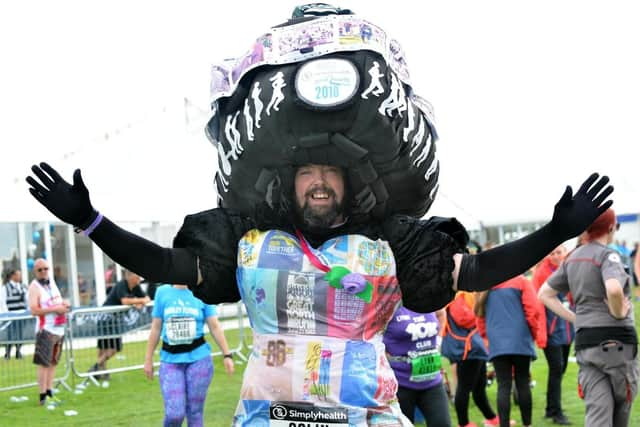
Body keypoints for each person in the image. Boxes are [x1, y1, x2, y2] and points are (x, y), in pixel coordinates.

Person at [26, 4, 614, 425]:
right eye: (308, 173)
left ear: (348, 180)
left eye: (330, 173)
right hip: (270, 416)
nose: (319, 182)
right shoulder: (248, 238)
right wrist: (90, 221)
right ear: (291, 181)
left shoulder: (392, 240)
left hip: (367, 413)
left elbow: (479, 272)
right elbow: (165, 264)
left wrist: (556, 231)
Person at [539, 208, 638, 427]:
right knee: (621, 411)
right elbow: (613, 289)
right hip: (617, 343)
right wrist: (618, 312)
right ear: (611, 228)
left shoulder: (572, 258)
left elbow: (544, 294)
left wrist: (576, 319)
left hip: (586, 344)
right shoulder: (608, 255)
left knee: (597, 415)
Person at [144, 283, 235, 426]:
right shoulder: (162, 292)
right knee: (174, 413)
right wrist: (148, 359)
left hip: (199, 360)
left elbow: (215, 326)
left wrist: (227, 355)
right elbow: (156, 328)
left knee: (195, 411)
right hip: (170, 361)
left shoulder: (203, 292)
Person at [476, 275, 542, 427]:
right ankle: (527, 424)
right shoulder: (522, 281)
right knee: (523, 383)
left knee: (503, 385)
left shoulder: (485, 284)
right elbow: (533, 310)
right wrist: (532, 333)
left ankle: (504, 425)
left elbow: (479, 316)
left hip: (497, 342)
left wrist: (488, 337)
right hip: (520, 339)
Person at [383, 307, 451, 426]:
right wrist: (382, 354)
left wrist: (438, 341)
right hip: (400, 384)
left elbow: (441, 314)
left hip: (432, 381)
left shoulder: (428, 300)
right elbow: (371, 333)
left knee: (442, 424)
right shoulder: (390, 303)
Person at [441, 291, 498, 427]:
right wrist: (484, 314)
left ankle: (491, 418)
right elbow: (463, 319)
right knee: (464, 388)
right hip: (468, 349)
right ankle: (463, 423)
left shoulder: (466, 295)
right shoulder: (459, 296)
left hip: (474, 348)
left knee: (479, 388)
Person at [531, 245, 574, 425]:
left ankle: (550, 408)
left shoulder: (569, 267)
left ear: (565, 252)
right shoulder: (541, 273)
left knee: (560, 369)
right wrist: (541, 332)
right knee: (557, 368)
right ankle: (556, 412)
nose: (556, 256)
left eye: (559, 252)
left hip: (566, 327)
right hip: (550, 329)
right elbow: (535, 303)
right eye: (552, 252)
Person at [89, 270, 150, 380]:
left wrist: (138, 301)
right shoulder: (121, 285)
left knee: (116, 347)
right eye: (137, 276)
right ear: (129, 277)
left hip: (115, 319)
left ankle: (96, 367)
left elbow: (147, 298)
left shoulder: (136, 287)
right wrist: (137, 301)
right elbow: (125, 301)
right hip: (105, 318)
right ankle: (102, 371)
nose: (139, 279)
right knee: (104, 346)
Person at [27, 258, 70, 406]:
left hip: (58, 327)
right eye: (40, 270)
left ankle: (50, 392)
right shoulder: (34, 287)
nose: (44, 272)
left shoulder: (51, 282)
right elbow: (34, 310)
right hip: (45, 329)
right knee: (44, 363)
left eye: (46, 268)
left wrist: (63, 304)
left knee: (53, 362)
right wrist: (54, 309)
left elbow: (56, 300)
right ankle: (42, 396)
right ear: (35, 271)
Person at [1, 269, 28, 359]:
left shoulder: (22, 287)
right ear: (12, 276)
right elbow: (3, 302)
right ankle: (7, 353)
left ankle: (18, 351)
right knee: (10, 335)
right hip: (11, 315)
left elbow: (27, 300)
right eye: (18, 275)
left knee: (20, 334)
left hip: (22, 315)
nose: (20, 277)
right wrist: (7, 315)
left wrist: (27, 311)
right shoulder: (5, 287)